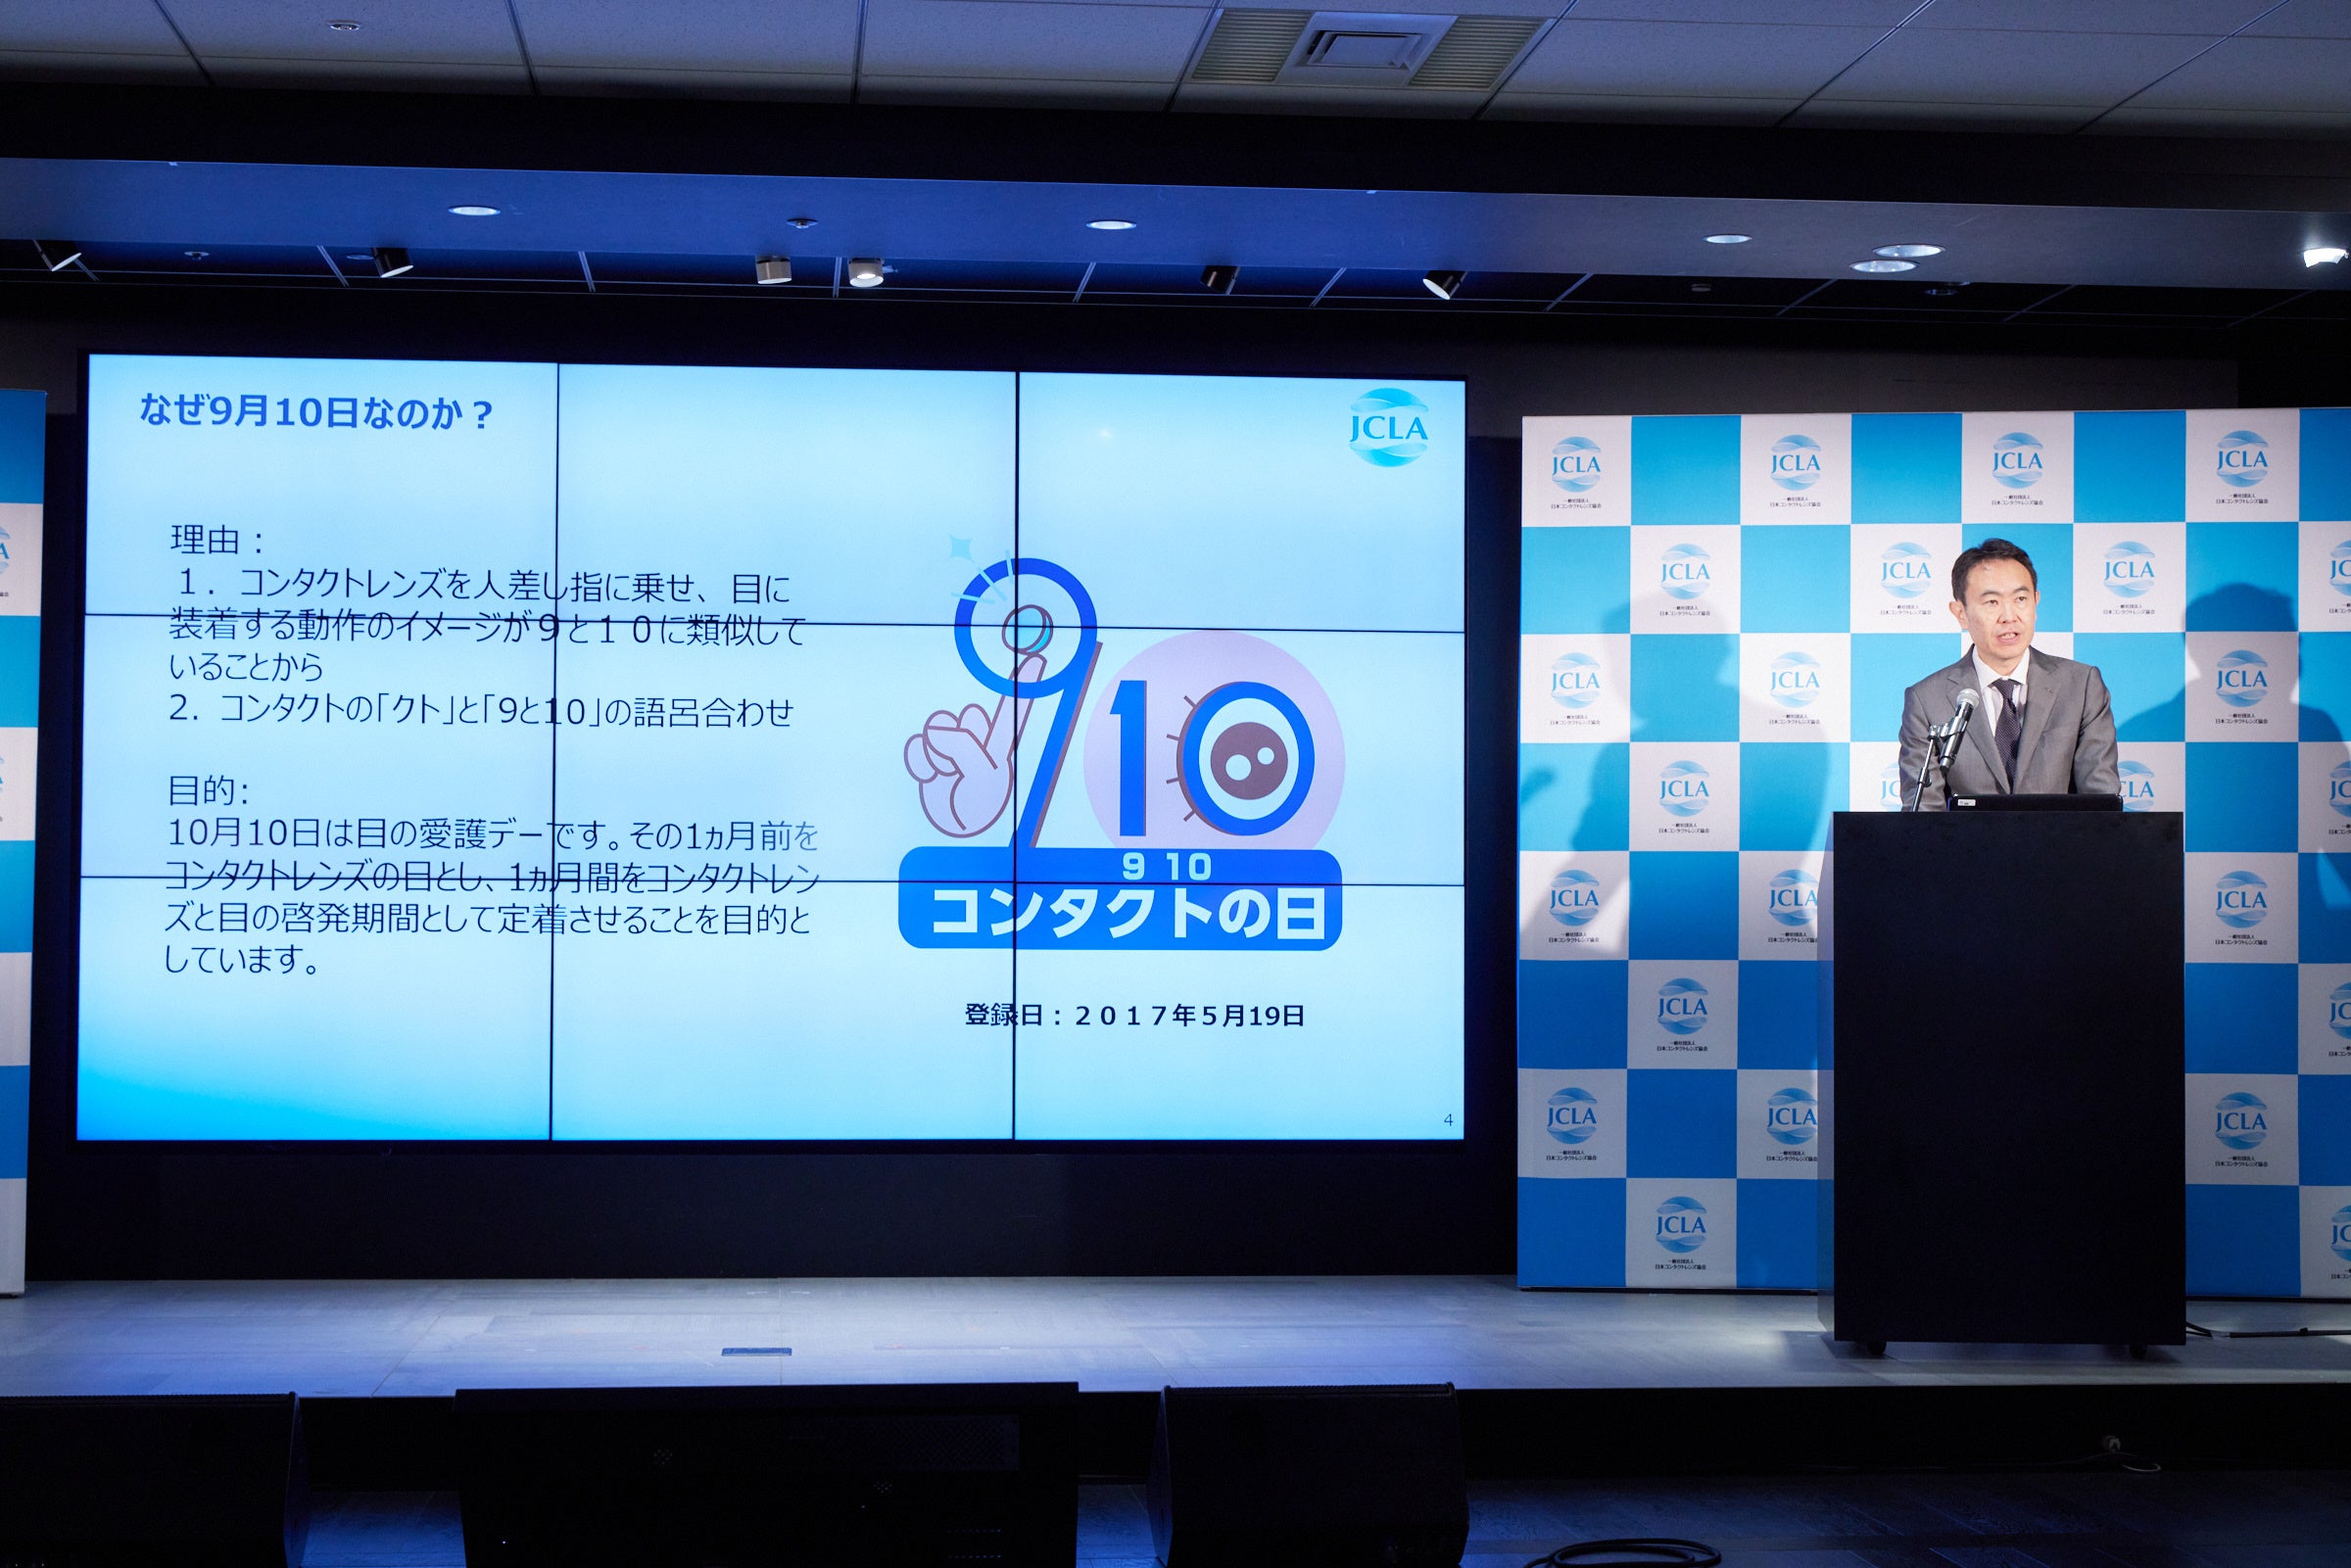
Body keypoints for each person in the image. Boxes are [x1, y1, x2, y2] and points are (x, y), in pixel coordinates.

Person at [1897, 538, 2119, 809]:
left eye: (2020, 599)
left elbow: (2100, 805)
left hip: (2059, 838)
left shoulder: (2081, 686)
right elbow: (1924, 812)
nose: (2009, 616)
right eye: (1992, 602)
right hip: (1965, 839)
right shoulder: (1926, 700)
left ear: (2036, 602)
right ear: (1961, 613)